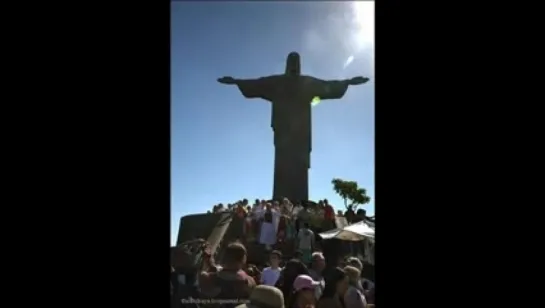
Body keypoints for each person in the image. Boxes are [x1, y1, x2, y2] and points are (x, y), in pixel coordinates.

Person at [200, 242, 256, 307]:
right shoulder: (249, 281)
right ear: (243, 259)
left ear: (224, 257)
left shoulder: (210, 278)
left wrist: (203, 270)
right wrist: (210, 263)